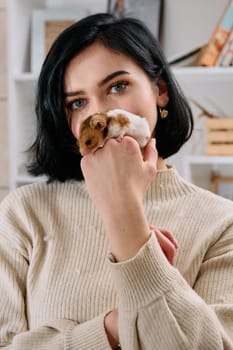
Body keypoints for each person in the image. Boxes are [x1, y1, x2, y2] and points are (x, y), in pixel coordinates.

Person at [0, 12, 233, 350]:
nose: (100, 115)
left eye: (117, 86)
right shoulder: (24, 212)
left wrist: (125, 215)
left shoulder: (222, 223)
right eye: (77, 102)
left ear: (161, 90)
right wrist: (115, 327)